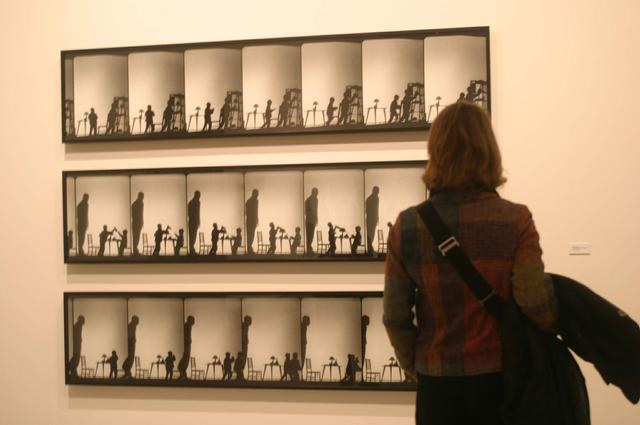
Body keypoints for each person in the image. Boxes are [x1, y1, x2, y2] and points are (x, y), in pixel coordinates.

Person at [383, 101, 558, 425]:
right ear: (488, 150)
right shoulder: (515, 220)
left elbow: (395, 316)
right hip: (499, 380)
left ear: (435, 151)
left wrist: (418, 364)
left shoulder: (407, 226)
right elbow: (535, 301)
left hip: (436, 386)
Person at [365, 186, 380, 254]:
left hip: (372, 218)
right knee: (370, 233)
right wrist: (376, 217)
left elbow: (376, 209)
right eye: (377, 191)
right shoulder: (370, 199)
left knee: (371, 233)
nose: (378, 192)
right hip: (370, 219)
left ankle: (370, 247)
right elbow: (368, 210)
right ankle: (369, 247)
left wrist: (377, 217)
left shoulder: (374, 199)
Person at [305, 188, 319, 254]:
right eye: (316, 192)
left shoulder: (316, 200)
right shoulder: (308, 200)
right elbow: (306, 211)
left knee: (311, 235)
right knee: (309, 235)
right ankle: (308, 249)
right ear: (313, 192)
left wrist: (316, 219)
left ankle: (309, 248)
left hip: (312, 220)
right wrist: (311, 214)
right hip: (309, 220)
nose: (317, 194)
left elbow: (316, 210)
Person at [245, 189, 259, 254]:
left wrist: (256, 219)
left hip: (251, 220)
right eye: (257, 194)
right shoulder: (252, 201)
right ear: (254, 194)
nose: (257, 195)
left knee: (251, 235)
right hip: (251, 221)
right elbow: (255, 212)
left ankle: (249, 248)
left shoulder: (249, 201)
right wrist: (256, 219)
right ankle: (249, 249)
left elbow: (248, 212)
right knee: (250, 235)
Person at [187, 191, 201, 255]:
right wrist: (196, 220)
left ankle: (192, 249)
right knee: (192, 236)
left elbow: (198, 213)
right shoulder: (191, 203)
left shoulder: (197, 202)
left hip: (194, 221)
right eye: (198, 195)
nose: (199, 197)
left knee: (193, 236)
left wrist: (198, 221)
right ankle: (191, 250)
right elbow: (190, 213)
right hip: (192, 221)